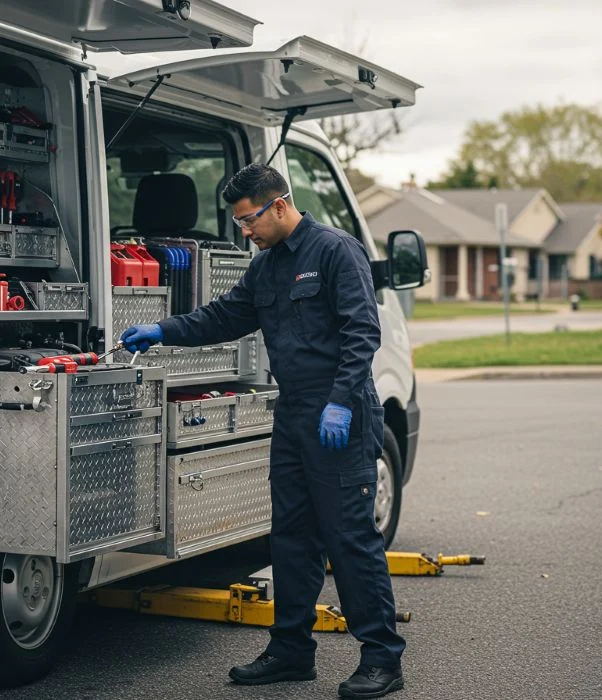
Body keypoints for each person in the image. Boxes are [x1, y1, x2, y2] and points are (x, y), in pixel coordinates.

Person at [121, 163, 406, 699]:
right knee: (291, 538)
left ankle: (382, 659)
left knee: (350, 540)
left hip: (340, 415)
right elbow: (223, 317)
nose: (244, 231)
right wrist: (163, 330)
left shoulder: (336, 251)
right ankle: (291, 651)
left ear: (279, 205)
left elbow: (362, 333)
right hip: (296, 413)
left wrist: (341, 403)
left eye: (249, 220)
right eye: (238, 223)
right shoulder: (267, 266)